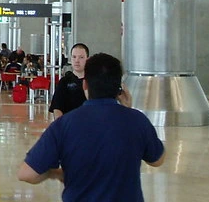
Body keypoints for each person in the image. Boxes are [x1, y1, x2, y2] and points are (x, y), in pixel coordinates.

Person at [18, 53, 165, 201]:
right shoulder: (137, 120)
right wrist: (128, 109)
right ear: (119, 88)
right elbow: (157, 160)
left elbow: (27, 174)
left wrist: (54, 173)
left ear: (85, 84)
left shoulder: (64, 125)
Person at [49, 44, 89, 118]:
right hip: (69, 124)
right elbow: (57, 108)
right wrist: (61, 126)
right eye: (74, 57)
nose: (77, 60)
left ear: (87, 59)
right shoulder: (64, 82)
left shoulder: (94, 81)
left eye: (81, 57)